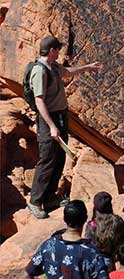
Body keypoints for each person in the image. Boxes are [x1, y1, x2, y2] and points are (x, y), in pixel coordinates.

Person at [27, 35, 103, 219]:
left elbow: (67, 72)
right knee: (47, 159)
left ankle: (50, 198)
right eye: (57, 49)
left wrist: (87, 68)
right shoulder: (40, 71)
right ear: (51, 50)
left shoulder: (52, 67)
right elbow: (39, 101)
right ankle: (35, 201)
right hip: (48, 121)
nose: (59, 52)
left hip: (60, 117)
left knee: (60, 157)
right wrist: (51, 126)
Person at [25, 200, 111, 279]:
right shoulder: (91, 252)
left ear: (64, 219)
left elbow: (27, 275)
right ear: (85, 219)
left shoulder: (49, 246)